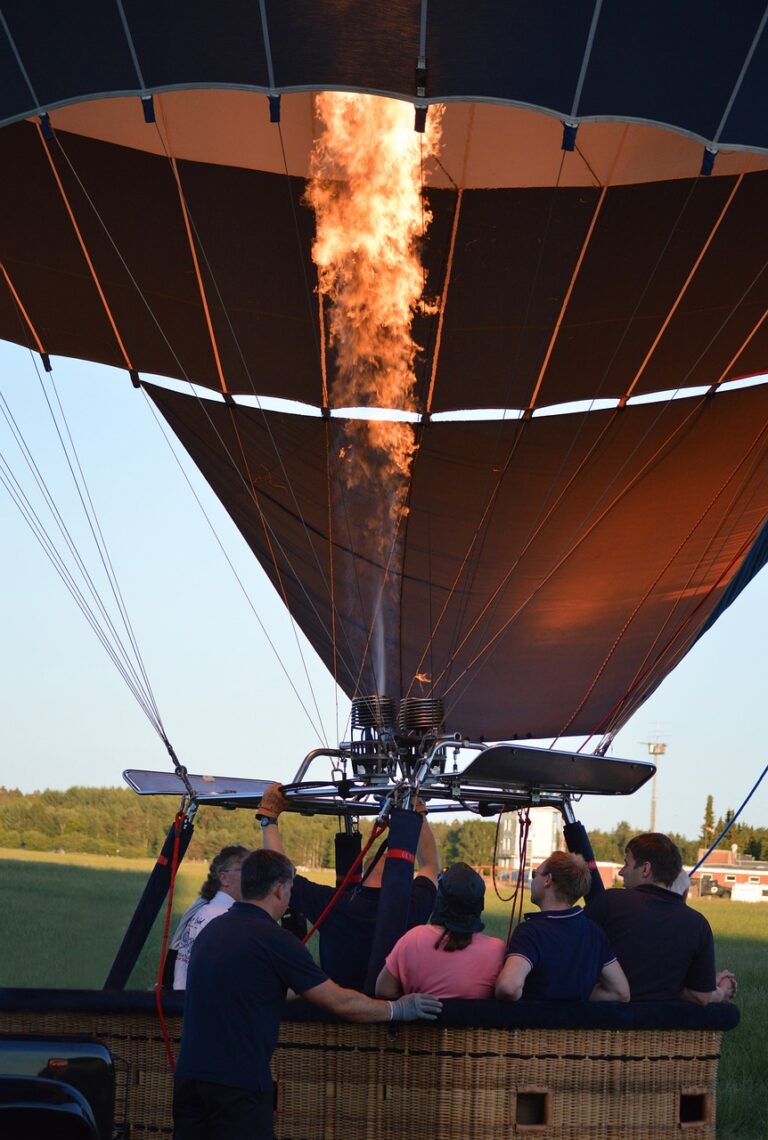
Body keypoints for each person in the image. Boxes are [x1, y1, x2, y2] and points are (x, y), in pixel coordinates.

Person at [173, 848, 443, 1140]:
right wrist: (398, 1009)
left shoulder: (212, 929)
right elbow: (341, 1003)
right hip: (238, 1085)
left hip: (189, 1080)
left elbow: (252, 988)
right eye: (289, 889)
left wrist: (305, 990)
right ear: (279, 890)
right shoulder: (274, 940)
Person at [256, 783, 439, 990]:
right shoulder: (412, 907)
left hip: (336, 1009)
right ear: (398, 872)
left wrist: (268, 818)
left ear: (365, 870)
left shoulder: (333, 905)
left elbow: (282, 876)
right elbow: (431, 866)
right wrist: (417, 810)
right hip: (388, 1009)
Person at [584, 833, 737, 1004]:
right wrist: (719, 990)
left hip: (606, 1022)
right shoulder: (697, 923)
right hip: (665, 1026)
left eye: (627, 863)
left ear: (645, 869)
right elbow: (700, 996)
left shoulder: (609, 901)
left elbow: (570, 954)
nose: (621, 871)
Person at [495, 851, 629, 1002]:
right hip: (577, 1024)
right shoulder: (594, 932)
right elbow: (620, 992)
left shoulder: (531, 932)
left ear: (548, 880)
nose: (533, 879)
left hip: (535, 1023)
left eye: (535, 874)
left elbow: (508, 987)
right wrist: (577, 995)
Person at [375, 861, 505, 999]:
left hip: (420, 1019)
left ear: (441, 899)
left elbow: (383, 990)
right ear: (479, 904)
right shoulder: (497, 950)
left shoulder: (413, 939)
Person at [172, 845, 249, 990]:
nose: (252, 877)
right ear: (224, 878)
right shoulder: (225, 917)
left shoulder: (207, 911)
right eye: (245, 870)